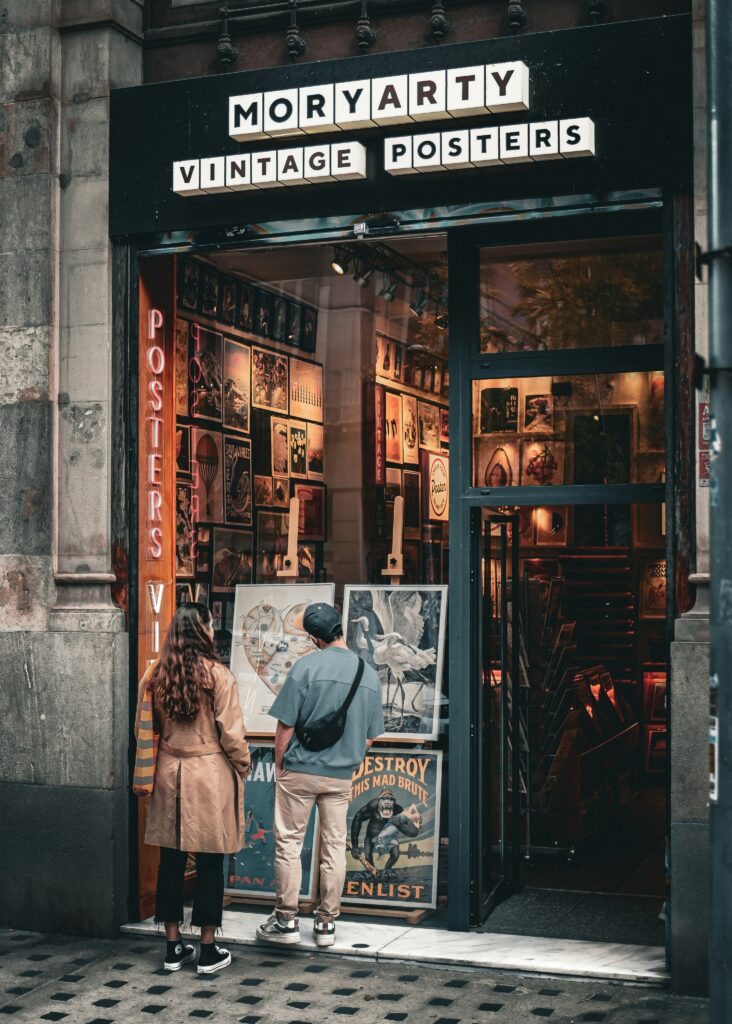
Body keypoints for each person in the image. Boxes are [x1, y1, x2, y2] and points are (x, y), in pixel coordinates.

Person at [256, 602, 384, 948]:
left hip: (300, 770)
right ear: (340, 630)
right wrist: (349, 757)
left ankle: (286, 919)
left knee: (289, 844)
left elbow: (285, 725)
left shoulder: (305, 667)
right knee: (333, 849)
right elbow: (370, 735)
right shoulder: (368, 673)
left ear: (314, 639)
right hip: (340, 776)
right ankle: (326, 923)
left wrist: (280, 765)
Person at [134, 602, 250, 975]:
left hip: (169, 770)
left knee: (171, 860)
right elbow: (231, 734)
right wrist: (243, 765)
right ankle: (208, 948)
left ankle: (172, 946)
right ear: (206, 631)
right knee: (211, 859)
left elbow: (146, 728)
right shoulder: (218, 675)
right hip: (209, 773)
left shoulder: (156, 675)